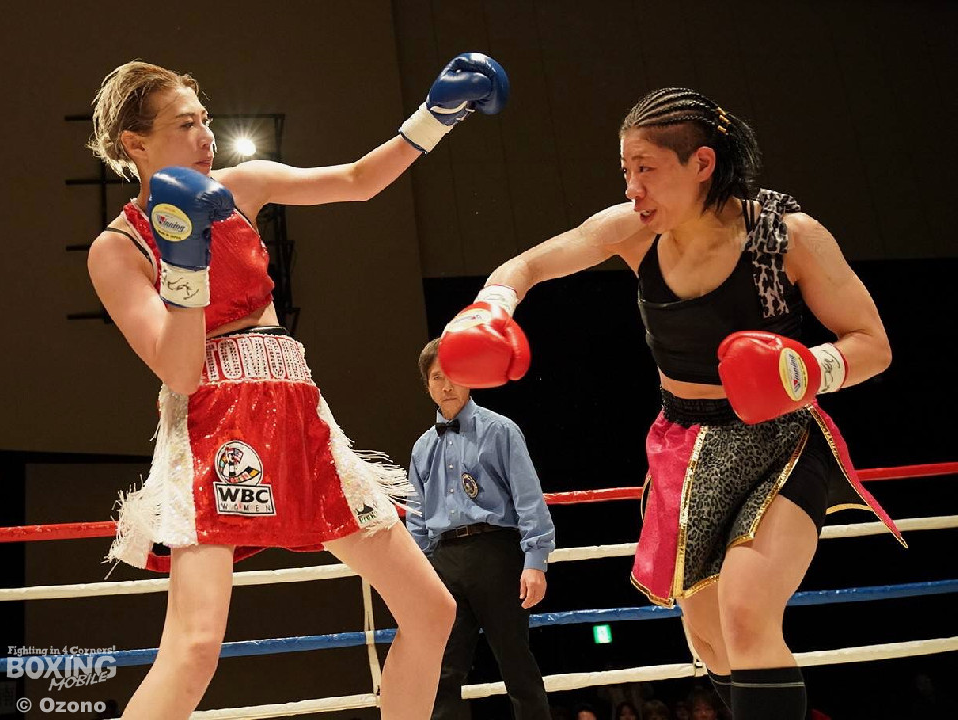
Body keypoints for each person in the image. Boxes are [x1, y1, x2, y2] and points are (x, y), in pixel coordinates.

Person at [436, 87, 904, 720]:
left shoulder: (784, 238)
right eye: (625, 170)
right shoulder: (635, 231)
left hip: (780, 443)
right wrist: (490, 308)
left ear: (702, 163)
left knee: (746, 610)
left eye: (647, 168)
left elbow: (873, 344)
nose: (633, 188)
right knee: (710, 637)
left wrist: (806, 368)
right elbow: (527, 266)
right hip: (685, 446)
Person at [85, 54, 508, 720]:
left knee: (431, 611)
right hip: (213, 427)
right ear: (135, 144)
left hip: (297, 408)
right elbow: (180, 371)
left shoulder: (241, 185)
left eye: (205, 120)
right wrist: (186, 260)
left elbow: (358, 180)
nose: (205, 137)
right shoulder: (117, 249)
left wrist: (437, 115)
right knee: (194, 650)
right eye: (184, 125)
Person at [408, 338, 555, 719]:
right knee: (442, 670)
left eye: (453, 376)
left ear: (469, 378)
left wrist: (535, 562)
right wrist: (420, 576)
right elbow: (417, 518)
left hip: (496, 553)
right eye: (437, 378)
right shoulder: (422, 448)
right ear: (427, 385)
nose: (446, 386)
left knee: (515, 662)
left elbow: (528, 497)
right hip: (443, 561)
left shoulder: (500, 430)